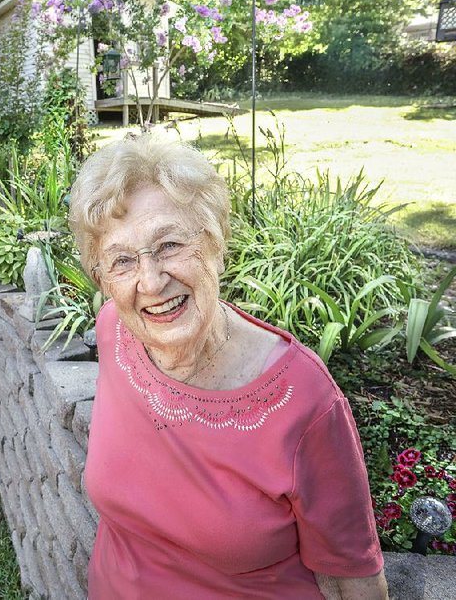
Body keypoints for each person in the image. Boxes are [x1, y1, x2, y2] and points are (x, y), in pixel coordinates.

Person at [69, 134, 388, 599]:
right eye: (122, 260)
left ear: (216, 243)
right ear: (102, 278)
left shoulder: (303, 400)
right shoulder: (114, 331)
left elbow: (355, 575)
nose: (152, 281)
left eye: (170, 244)